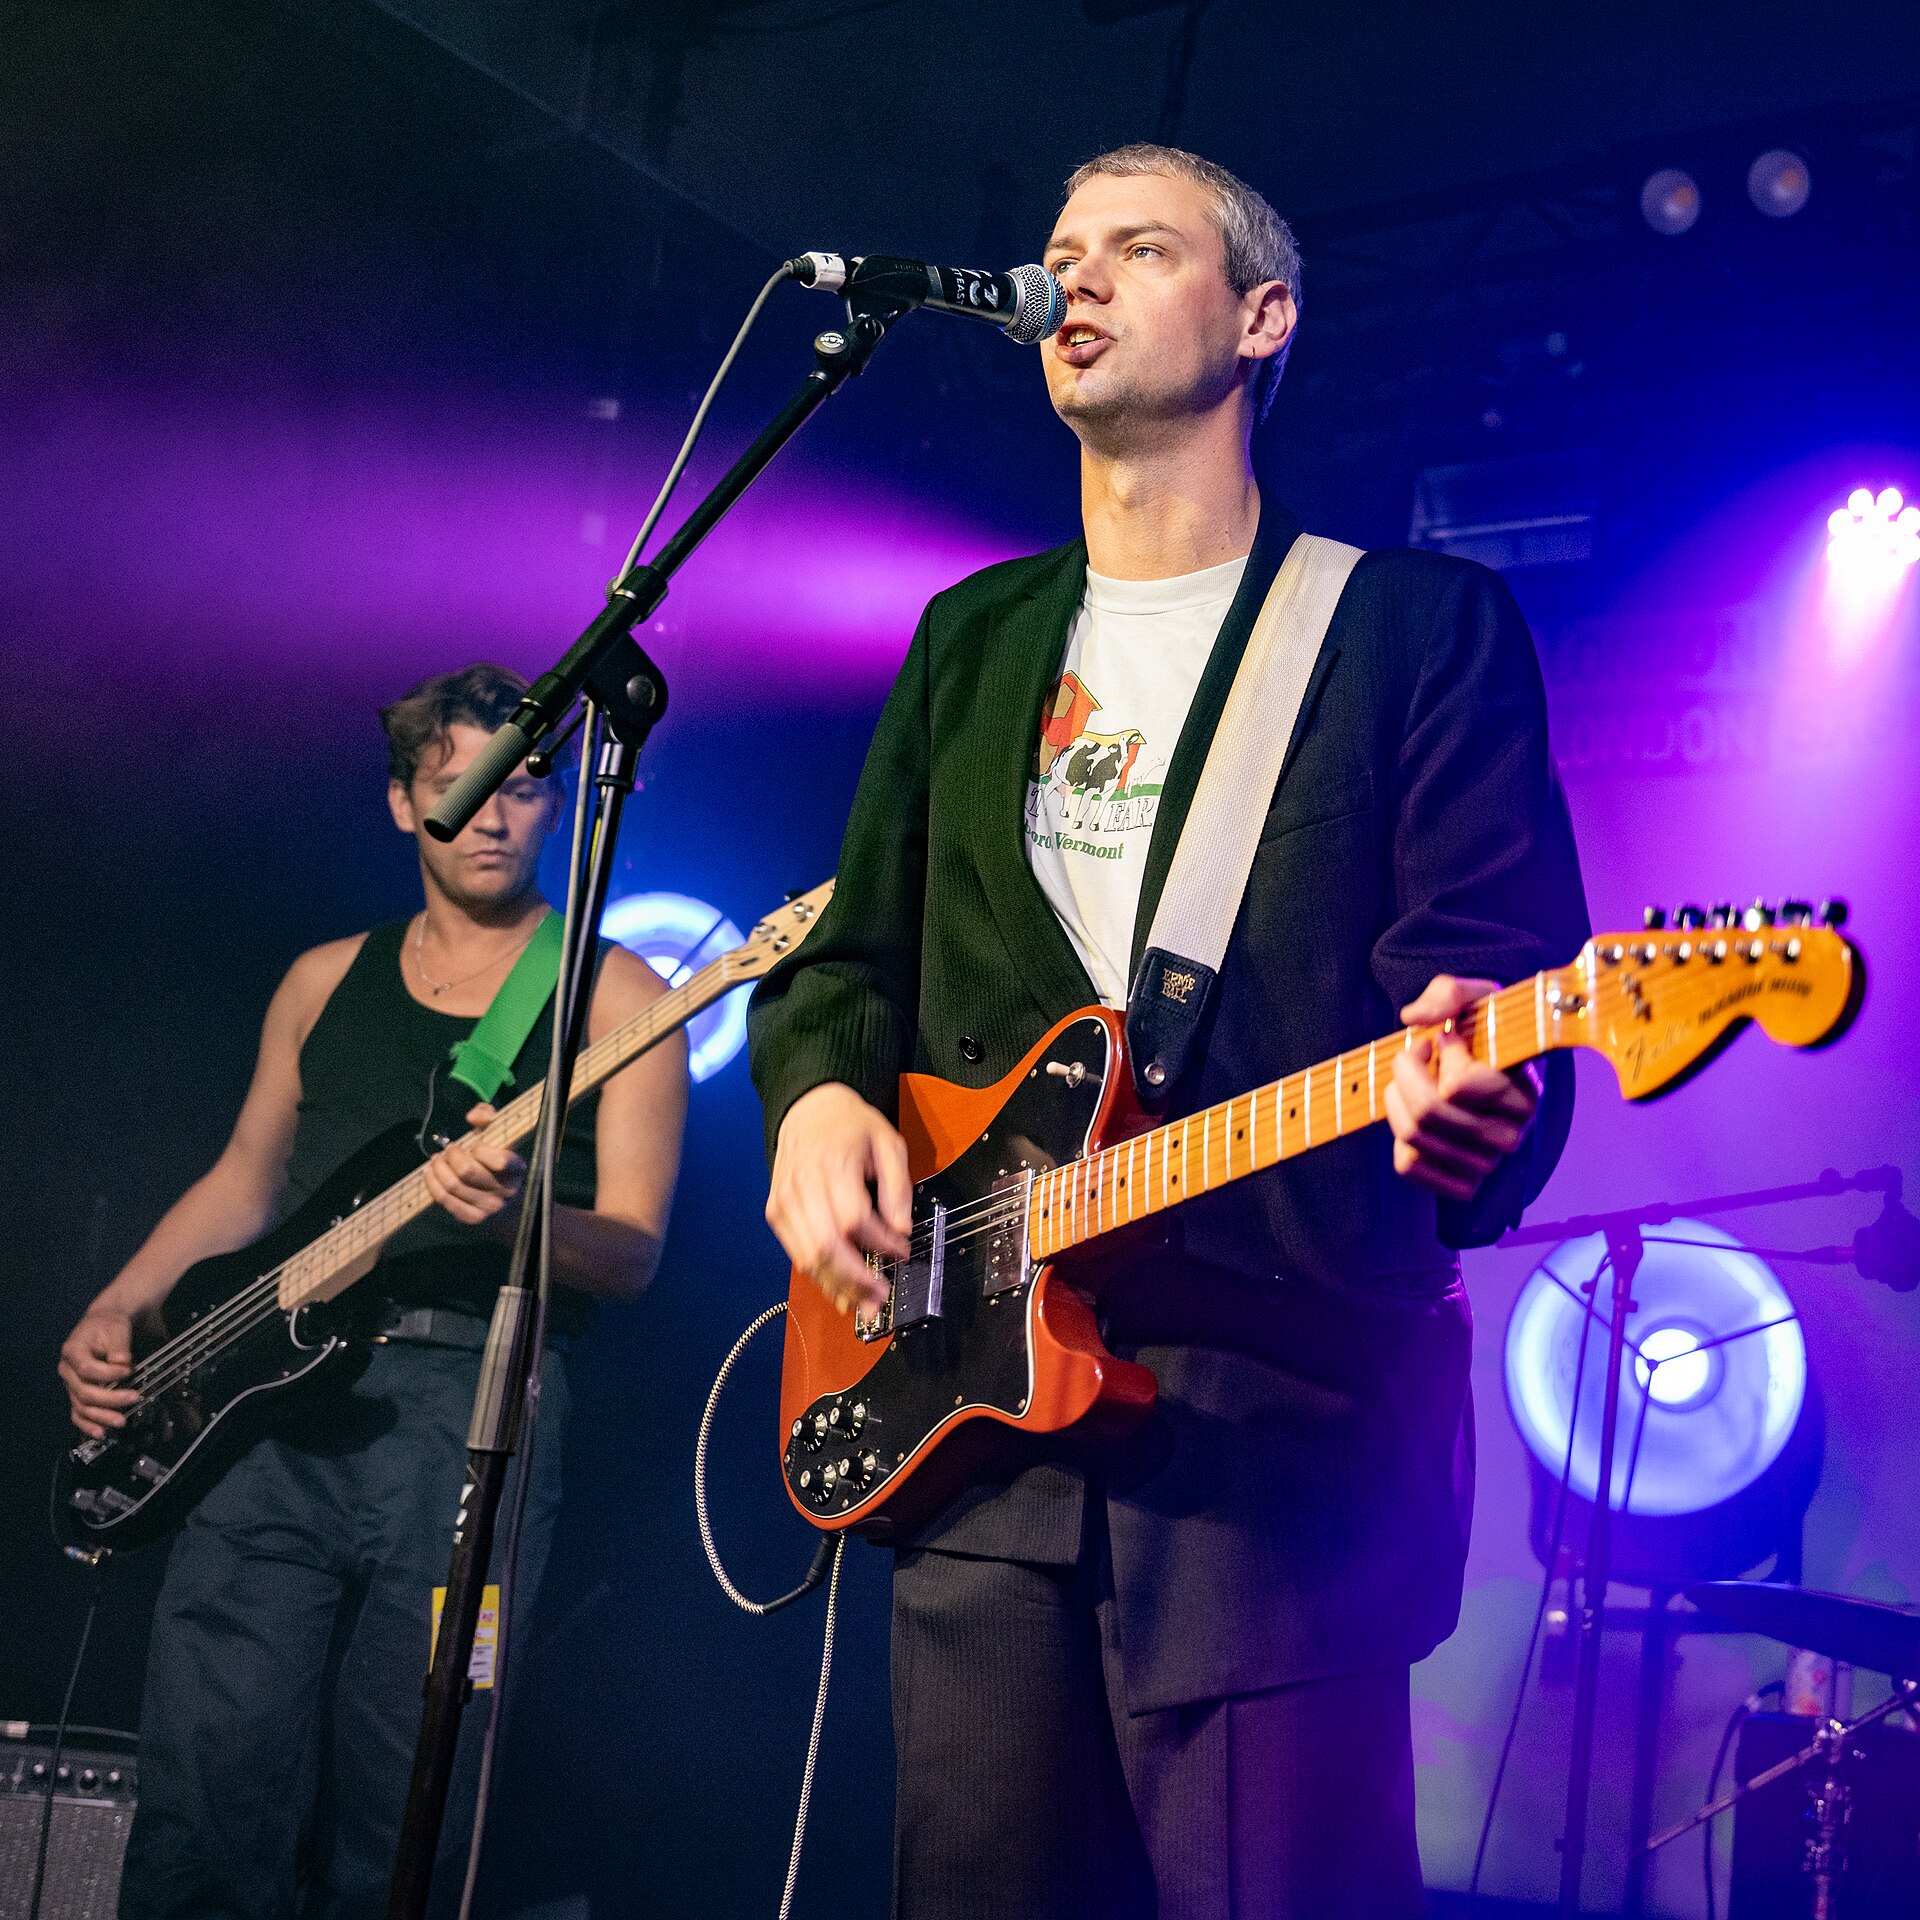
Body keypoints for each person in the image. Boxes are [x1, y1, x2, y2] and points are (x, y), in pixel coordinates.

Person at [749, 145, 1589, 1918]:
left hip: (1268, 1449)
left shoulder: (1414, 632)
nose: (1082, 280)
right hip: (968, 1441)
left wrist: (1478, 1103)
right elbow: (852, 956)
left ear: (1262, 318)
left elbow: (1498, 989)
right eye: (1063, 252)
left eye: (1142, 246)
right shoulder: (968, 640)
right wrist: (817, 1101)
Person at [57, 663, 688, 1920]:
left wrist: (519, 1216)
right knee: (208, 1783)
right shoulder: (321, 978)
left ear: (559, 804)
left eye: (526, 785)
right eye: (462, 784)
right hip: (268, 1416)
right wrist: (115, 1309)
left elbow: (633, 1250)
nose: (497, 812)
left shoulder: (619, 995)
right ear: (406, 803)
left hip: (474, 1412)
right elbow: (247, 1181)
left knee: (408, 1802)